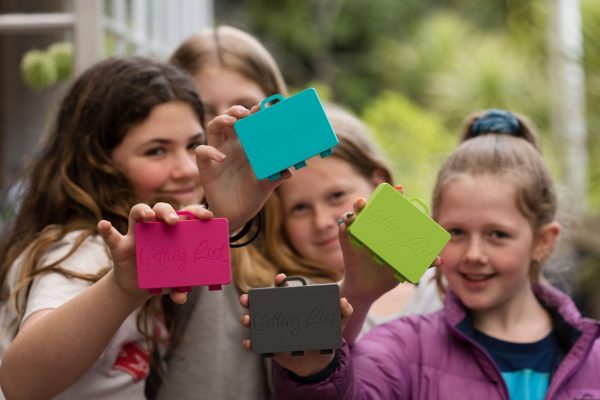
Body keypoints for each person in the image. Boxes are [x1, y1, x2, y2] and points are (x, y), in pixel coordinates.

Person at [250, 109, 600, 399]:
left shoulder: (592, 355)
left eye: (498, 235)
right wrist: (315, 368)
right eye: (456, 232)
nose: (474, 254)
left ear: (543, 241)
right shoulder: (403, 343)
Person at [0, 56, 283, 400]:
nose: (186, 168)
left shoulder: (148, 243)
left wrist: (224, 219)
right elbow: (19, 383)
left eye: (192, 145)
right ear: (97, 161)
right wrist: (121, 289)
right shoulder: (83, 248)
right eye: (156, 151)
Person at [149, 25, 290, 400]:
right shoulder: (162, 220)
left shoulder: (305, 211)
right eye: (205, 113)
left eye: (247, 110)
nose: (227, 127)